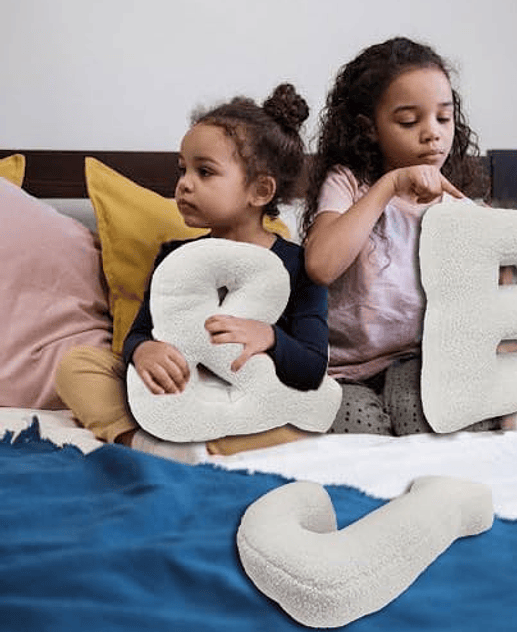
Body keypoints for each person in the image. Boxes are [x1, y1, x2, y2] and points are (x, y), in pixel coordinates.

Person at [56, 83, 328, 458]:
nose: (184, 184)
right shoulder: (174, 258)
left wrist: (269, 336)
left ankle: (192, 443)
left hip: (245, 399)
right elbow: (137, 334)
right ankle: (139, 443)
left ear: (261, 191)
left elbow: (312, 368)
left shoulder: (300, 268)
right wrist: (143, 350)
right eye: (182, 170)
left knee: (298, 424)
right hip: (178, 389)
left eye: (205, 172)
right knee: (78, 365)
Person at [302, 36, 517, 436]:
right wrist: (387, 186)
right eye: (409, 121)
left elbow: (501, 304)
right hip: (344, 371)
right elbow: (320, 265)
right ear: (369, 129)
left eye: (443, 118)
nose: (432, 134)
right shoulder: (348, 184)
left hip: (421, 361)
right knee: (360, 429)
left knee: (430, 422)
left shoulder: (456, 207)